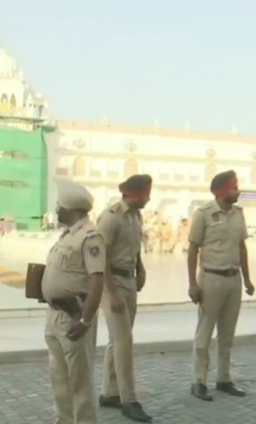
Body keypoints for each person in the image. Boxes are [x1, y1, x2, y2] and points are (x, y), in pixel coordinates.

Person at [187, 170, 255, 401]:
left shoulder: (239, 214)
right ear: (223, 191)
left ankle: (224, 379)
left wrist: (247, 278)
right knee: (204, 332)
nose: (239, 191)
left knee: (227, 332)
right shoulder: (204, 214)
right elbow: (193, 249)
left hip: (233, 278)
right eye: (235, 187)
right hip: (211, 279)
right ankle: (199, 380)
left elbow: (242, 248)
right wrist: (192, 284)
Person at [42, 180, 105, 424]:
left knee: (79, 380)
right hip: (55, 315)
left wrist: (86, 320)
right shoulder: (67, 235)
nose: (56, 209)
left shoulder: (90, 237)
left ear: (70, 208)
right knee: (59, 377)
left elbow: (97, 281)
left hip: (74, 316)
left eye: (59, 205)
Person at [96, 174, 153, 423]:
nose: (149, 198)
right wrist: (113, 293)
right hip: (114, 283)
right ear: (134, 194)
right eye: (146, 194)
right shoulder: (110, 218)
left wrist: (140, 269)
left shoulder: (135, 216)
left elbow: (135, 247)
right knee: (124, 342)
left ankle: (109, 392)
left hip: (128, 280)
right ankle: (128, 400)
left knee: (117, 340)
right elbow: (101, 258)